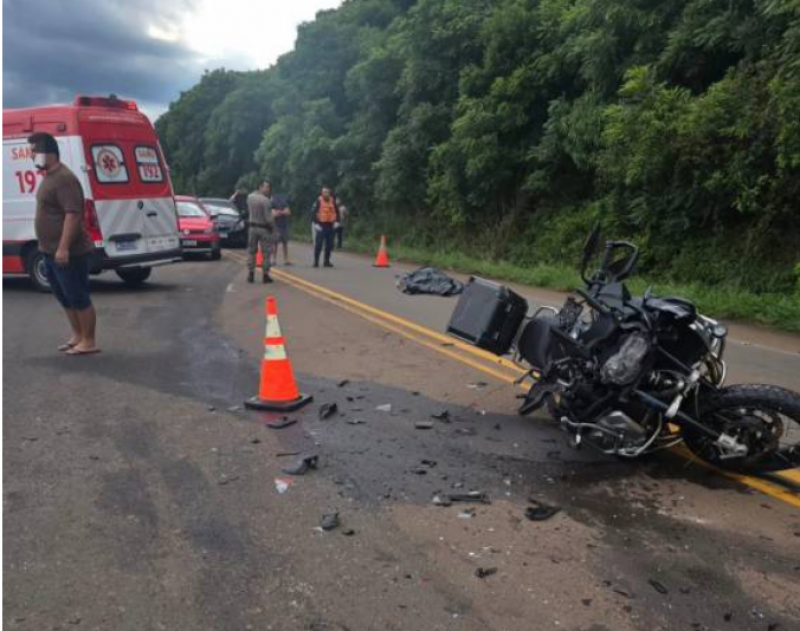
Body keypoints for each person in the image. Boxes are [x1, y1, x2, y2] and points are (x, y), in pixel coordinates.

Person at [28, 132, 99, 356]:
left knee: (77, 294)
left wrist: (63, 247)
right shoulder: (49, 176)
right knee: (63, 295)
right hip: (49, 251)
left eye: (34, 152)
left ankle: (89, 340)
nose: (31, 156)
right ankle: (77, 335)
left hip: (69, 252)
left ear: (48, 153)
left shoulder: (64, 178)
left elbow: (72, 214)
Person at [246, 179, 274, 283]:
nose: (268, 189)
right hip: (263, 228)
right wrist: (272, 226)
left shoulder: (249, 197)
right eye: (266, 187)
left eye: (268, 187)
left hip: (252, 227)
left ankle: (251, 274)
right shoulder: (266, 201)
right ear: (260, 187)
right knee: (266, 252)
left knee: (251, 251)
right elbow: (268, 218)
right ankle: (265, 275)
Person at [311, 186, 340, 268]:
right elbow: (313, 213)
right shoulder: (318, 201)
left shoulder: (332, 201)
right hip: (321, 225)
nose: (325, 194)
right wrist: (316, 223)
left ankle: (326, 261)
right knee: (319, 244)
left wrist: (337, 221)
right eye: (324, 192)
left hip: (330, 225)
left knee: (329, 245)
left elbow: (337, 212)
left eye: (327, 192)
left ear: (329, 193)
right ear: (321, 193)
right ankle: (316, 262)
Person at [270, 193, 292, 266]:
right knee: (275, 243)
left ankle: (286, 260)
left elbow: (288, 212)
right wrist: (282, 212)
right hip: (276, 226)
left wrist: (279, 212)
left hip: (284, 226)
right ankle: (274, 259)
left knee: (285, 243)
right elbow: (273, 214)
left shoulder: (285, 204)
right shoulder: (272, 204)